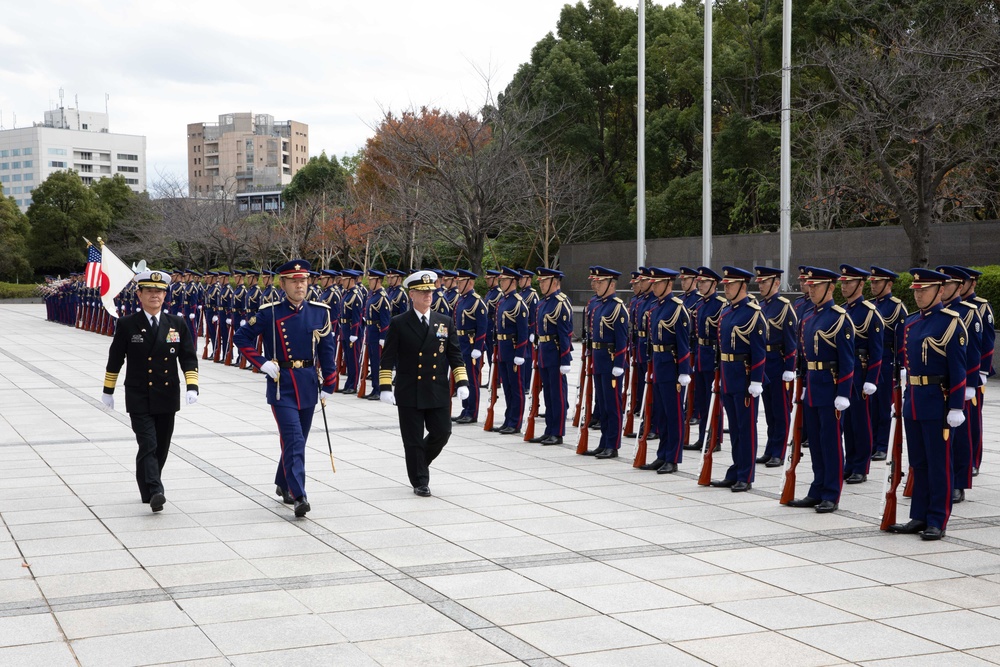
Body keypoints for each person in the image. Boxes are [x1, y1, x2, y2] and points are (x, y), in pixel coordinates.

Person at [233, 259, 337, 517]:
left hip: (308, 383)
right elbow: (241, 337)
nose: (300, 285)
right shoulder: (270, 312)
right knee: (294, 439)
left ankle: (283, 482)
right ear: (283, 284)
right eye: (294, 281)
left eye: (303, 281)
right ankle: (300, 494)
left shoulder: (319, 311)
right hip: (282, 384)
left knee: (297, 440)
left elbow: (327, 349)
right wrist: (261, 362)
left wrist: (330, 382)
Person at [101, 270, 199, 513]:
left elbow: (188, 357)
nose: (155, 295)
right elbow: (115, 359)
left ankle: (147, 486)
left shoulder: (176, 323)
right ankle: (156, 489)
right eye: (150, 291)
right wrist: (108, 390)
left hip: (167, 394)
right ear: (139, 294)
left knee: (161, 446)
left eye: (160, 291)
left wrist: (192, 385)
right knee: (148, 444)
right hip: (139, 394)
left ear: (165, 295)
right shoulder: (127, 324)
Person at [888, 268, 968, 540]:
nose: (919, 294)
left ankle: (937, 519)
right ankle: (918, 516)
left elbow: (959, 369)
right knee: (918, 463)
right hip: (915, 400)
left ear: (941, 291)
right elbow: (905, 368)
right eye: (917, 290)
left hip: (938, 401)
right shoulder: (910, 324)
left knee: (938, 463)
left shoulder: (951, 323)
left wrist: (956, 406)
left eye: (924, 290)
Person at [379, 270, 470, 496]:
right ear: (412, 295)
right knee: (412, 439)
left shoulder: (444, 321)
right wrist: (384, 386)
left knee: (442, 431)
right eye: (423, 292)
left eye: (430, 291)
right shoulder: (399, 323)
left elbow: (455, 355)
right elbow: (388, 357)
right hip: (409, 388)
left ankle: (419, 463)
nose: (428, 295)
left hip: (436, 388)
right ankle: (420, 480)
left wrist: (462, 382)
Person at [786, 267, 855, 513]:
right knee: (815, 441)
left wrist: (844, 393)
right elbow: (804, 358)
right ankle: (817, 488)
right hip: (813, 386)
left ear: (831, 288)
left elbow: (848, 360)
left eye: (816, 286)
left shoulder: (839, 317)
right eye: (810, 285)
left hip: (831, 387)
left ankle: (831, 493)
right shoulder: (808, 317)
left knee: (831, 442)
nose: (811, 289)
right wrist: (802, 385)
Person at [709, 267, 766, 491]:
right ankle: (736, 469)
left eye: (730, 284)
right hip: (728, 375)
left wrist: (756, 380)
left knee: (746, 428)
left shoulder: (753, 313)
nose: (726, 288)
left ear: (743, 285)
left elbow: (760, 352)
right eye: (725, 284)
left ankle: (746, 474)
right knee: (734, 427)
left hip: (744, 377)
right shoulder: (726, 311)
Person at [637, 267, 691, 472]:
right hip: (659, 365)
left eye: (657, 283)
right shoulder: (655, 307)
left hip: (672, 367)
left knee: (674, 414)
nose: (654, 286)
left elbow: (684, 343)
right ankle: (662, 454)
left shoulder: (678, 308)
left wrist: (684, 371)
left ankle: (673, 457)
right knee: (661, 413)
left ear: (669, 284)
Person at [838, 264, 884, 484]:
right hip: (845, 372)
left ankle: (861, 466)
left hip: (861, 371)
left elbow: (877, 351)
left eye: (848, 282)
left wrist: (871, 379)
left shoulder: (870, 313)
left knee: (860, 422)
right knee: (846, 422)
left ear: (860, 284)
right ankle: (849, 462)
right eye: (843, 282)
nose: (844, 286)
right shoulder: (841, 310)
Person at [582, 266, 629, 458]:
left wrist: (619, 363)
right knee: (601, 403)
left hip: (611, 363)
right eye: (595, 281)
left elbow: (622, 339)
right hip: (599, 360)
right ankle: (604, 442)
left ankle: (613, 444)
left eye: (600, 282)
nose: (596, 284)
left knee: (612, 405)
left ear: (611, 283)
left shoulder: (618, 307)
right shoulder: (598, 305)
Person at [754, 266, 797, 467]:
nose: (760, 285)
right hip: (764, 362)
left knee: (780, 410)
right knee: (769, 410)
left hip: (778, 363)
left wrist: (790, 367)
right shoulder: (761, 306)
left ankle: (779, 451)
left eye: (764, 282)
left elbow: (791, 340)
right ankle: (770, 447)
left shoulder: (784, 307)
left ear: (776, 283)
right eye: (760, 282)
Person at [528, 267, 574, 445]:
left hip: (555, 353)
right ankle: (549, 429)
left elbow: (565, 334)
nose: (541, 284)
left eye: (544, 281)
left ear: (555, 282)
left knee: (558, 395)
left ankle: (558, 431)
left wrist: (565, 359)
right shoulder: (542, 303)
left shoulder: (562, 302)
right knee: (548, 394)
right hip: (544, 353)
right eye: (540, 281)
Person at [868, 267, 907, 461]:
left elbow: (901, 341)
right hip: (870, 360)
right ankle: (872, 443)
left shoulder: (897, 308)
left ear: (889, 284)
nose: (873, 285)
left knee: (884, 405)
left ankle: (883, 445)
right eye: (872, 282)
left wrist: (901, 367)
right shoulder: (869, 306)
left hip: (887, 359)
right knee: (870, 406)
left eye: (877, 282)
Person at [686, 267, 726, 451]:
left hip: (713, 356)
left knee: (714, 400)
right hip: (701, 355)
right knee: (702, 400)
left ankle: (715, 438)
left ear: (714, 284)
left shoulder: (721, 304)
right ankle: (703, 437)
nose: (699, 285)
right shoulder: (699, 305)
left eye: (703, 282)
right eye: (699, 282)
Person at [493, 267, 530, 434]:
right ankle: (508, 419)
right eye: (501, 280)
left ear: (513, 282)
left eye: (504, 280)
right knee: (507, 387)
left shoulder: (519, 303)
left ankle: (515, 422)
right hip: (503, 350)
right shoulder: (503, 301)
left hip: (514, 350)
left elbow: (523, 332)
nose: (501, 282)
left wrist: (520, 354)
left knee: (516, 387)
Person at [452, 269, 488, 424]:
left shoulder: (476, 301)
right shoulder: (461, 300)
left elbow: (482, 327)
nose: (458, 284)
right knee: (462, 379)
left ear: (470, 282)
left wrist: (478, 348)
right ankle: (465, 408)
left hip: (471, 344)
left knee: (472, 380)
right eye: (458, 282)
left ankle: (472, 412)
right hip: (461, 344)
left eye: (461, 282)